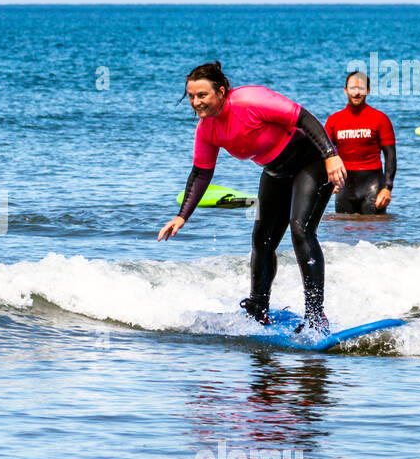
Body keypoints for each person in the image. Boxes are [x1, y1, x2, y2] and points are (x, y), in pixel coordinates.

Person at [158, 62, 347, 333]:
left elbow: (303, 118)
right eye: (191, 96)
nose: (195, 102)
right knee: (262, 239)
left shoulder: (250, 101)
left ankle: (316, 315)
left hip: (312, 161)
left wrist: (331, 156)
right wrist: (182, 215)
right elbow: (201, 173)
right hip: (276, 170)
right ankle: (259, 309)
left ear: (221, 92)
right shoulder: (207, 130)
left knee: (300, 230)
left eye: (202, 95)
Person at [323, 71, 396, 214]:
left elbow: (391, 156)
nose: (357, 93)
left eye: (361, 88)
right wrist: (327, 183)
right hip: (344, 187)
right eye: (352, 88)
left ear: (368, 90)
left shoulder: (380, 119)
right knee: (342, 231)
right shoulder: (333, 121)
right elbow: (322, 155)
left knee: (373, 231)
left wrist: (387, 188)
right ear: (345, 90)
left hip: (373, 185)